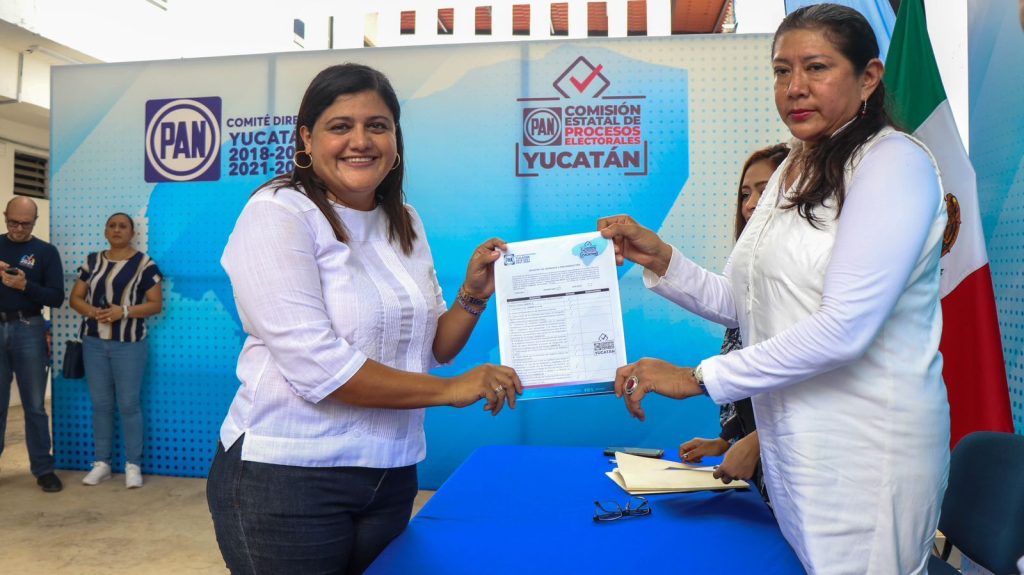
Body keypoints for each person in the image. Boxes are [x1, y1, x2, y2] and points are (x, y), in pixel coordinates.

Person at [599, 5, 949, 573]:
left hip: (866, 452)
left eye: (817, 67)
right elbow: (748, 303)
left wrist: (697, 378)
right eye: (782, 71)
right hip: (794, 446)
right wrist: (661, 257)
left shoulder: (893, 163)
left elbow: (844, 329)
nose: (794, 87)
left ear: (868, 77)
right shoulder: (793, 167)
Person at [206, 63, 522, 575]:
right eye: (340, 126)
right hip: (288, 473)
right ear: (307, 138)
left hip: (391, 470)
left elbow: (433, 349)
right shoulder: (278, 212)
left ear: (395, 138)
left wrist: (473, 294)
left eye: (377, 125)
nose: (361, 141)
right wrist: (450, 390)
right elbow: (318, 368)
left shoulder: (405, 219)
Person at [677, 144, 788, 501]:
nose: (751, 204)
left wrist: (758, 443)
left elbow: (810, 380)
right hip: (769, 472)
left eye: (765, 190)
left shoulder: (803, 278)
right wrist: (727, 440)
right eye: (745, 194)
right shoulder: (752, 276)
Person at [69, 212, 163, 489]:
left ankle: (133, 464)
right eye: (112, 226)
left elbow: (155, 304)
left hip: (129, 345)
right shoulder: (92, 261)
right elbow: (75, 298)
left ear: (132, 232)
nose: (117, 230)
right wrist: (93, 312)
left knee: (129, 405)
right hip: (94, 343)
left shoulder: (144, 264)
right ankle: (102, 464)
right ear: (105, 231)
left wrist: (123, 311)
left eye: (123, 226)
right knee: (101, 404)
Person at [0, 196, 65, 492]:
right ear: (5, 216)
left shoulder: (46, 252)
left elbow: (56, 297)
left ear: (35, 222)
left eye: (25, 224)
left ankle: (43, 469)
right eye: (13, 222)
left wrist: (25, 285)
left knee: (35, 406)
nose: (18, 229)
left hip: (29, 327)